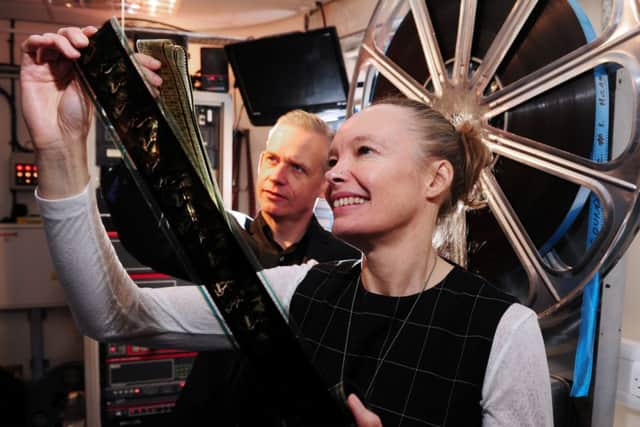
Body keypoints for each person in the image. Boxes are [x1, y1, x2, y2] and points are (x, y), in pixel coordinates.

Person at [21, 26, 553, 426]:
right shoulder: (303, 286)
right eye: (337, 157)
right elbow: (114, 316)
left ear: (435, 179)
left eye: (363, 152)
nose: (336, 174)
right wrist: (59, 147)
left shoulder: (504, 333)